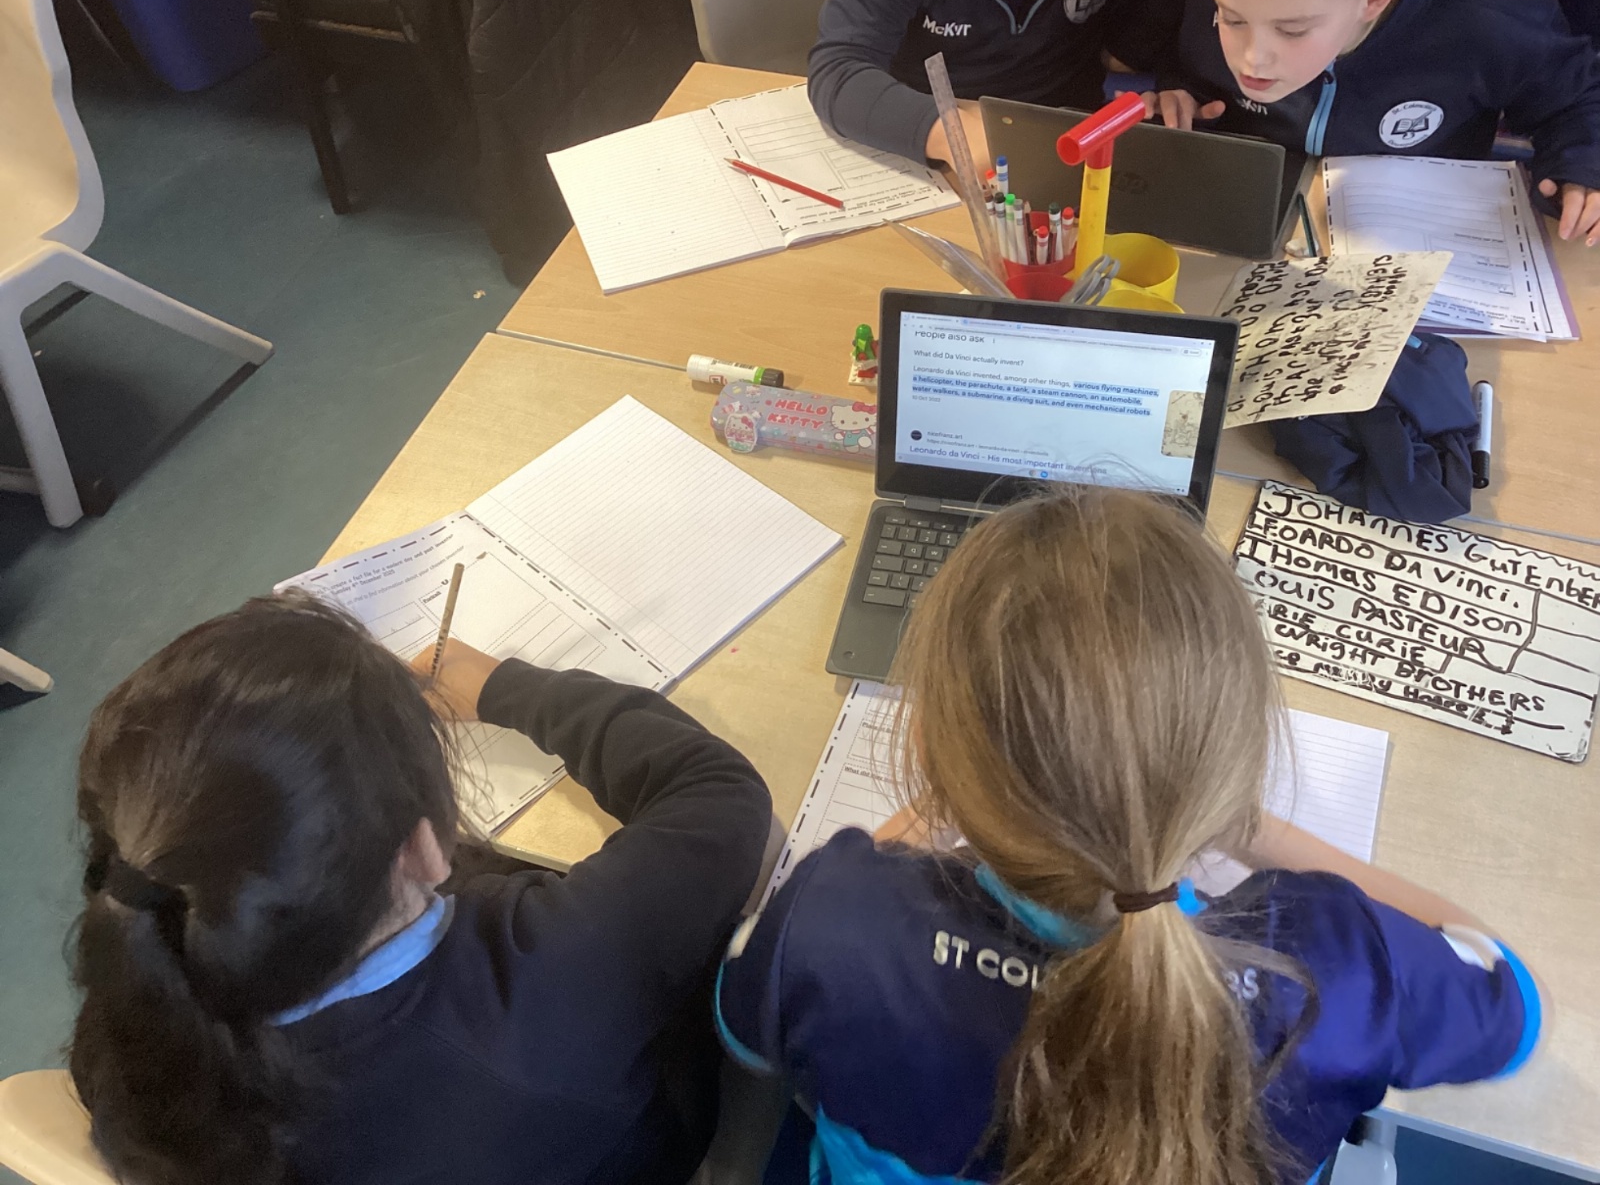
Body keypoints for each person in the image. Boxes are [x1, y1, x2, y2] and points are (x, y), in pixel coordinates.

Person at [716, 488, 1539, 1185]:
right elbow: (1509, 996)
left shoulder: (832, 920)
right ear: (1231, 761)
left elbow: (742, 1032)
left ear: (929, 748)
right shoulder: (1340, 973)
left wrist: (949, 796)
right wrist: (1242, 822)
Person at [68, 591, 772, 1185]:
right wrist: (503, 687)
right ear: (426, 850)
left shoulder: (133, 1039)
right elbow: (719, 793)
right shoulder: (559, 965)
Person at [1141, 0, 1600, 243]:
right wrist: (1181, 94)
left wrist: (1583, 167)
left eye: (1292, 30)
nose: (1252, 59)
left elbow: (1578, 95)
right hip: (1252, 230)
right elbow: (1189, 61)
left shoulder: (1484, 19)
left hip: (1423, 243)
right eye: (1233, 19)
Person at [807, 0, 1180, 167]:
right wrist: (954, 135)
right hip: (934, 153)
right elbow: (838, 70)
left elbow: (1166, 37)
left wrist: (1179, 84)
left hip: (1070, 151)